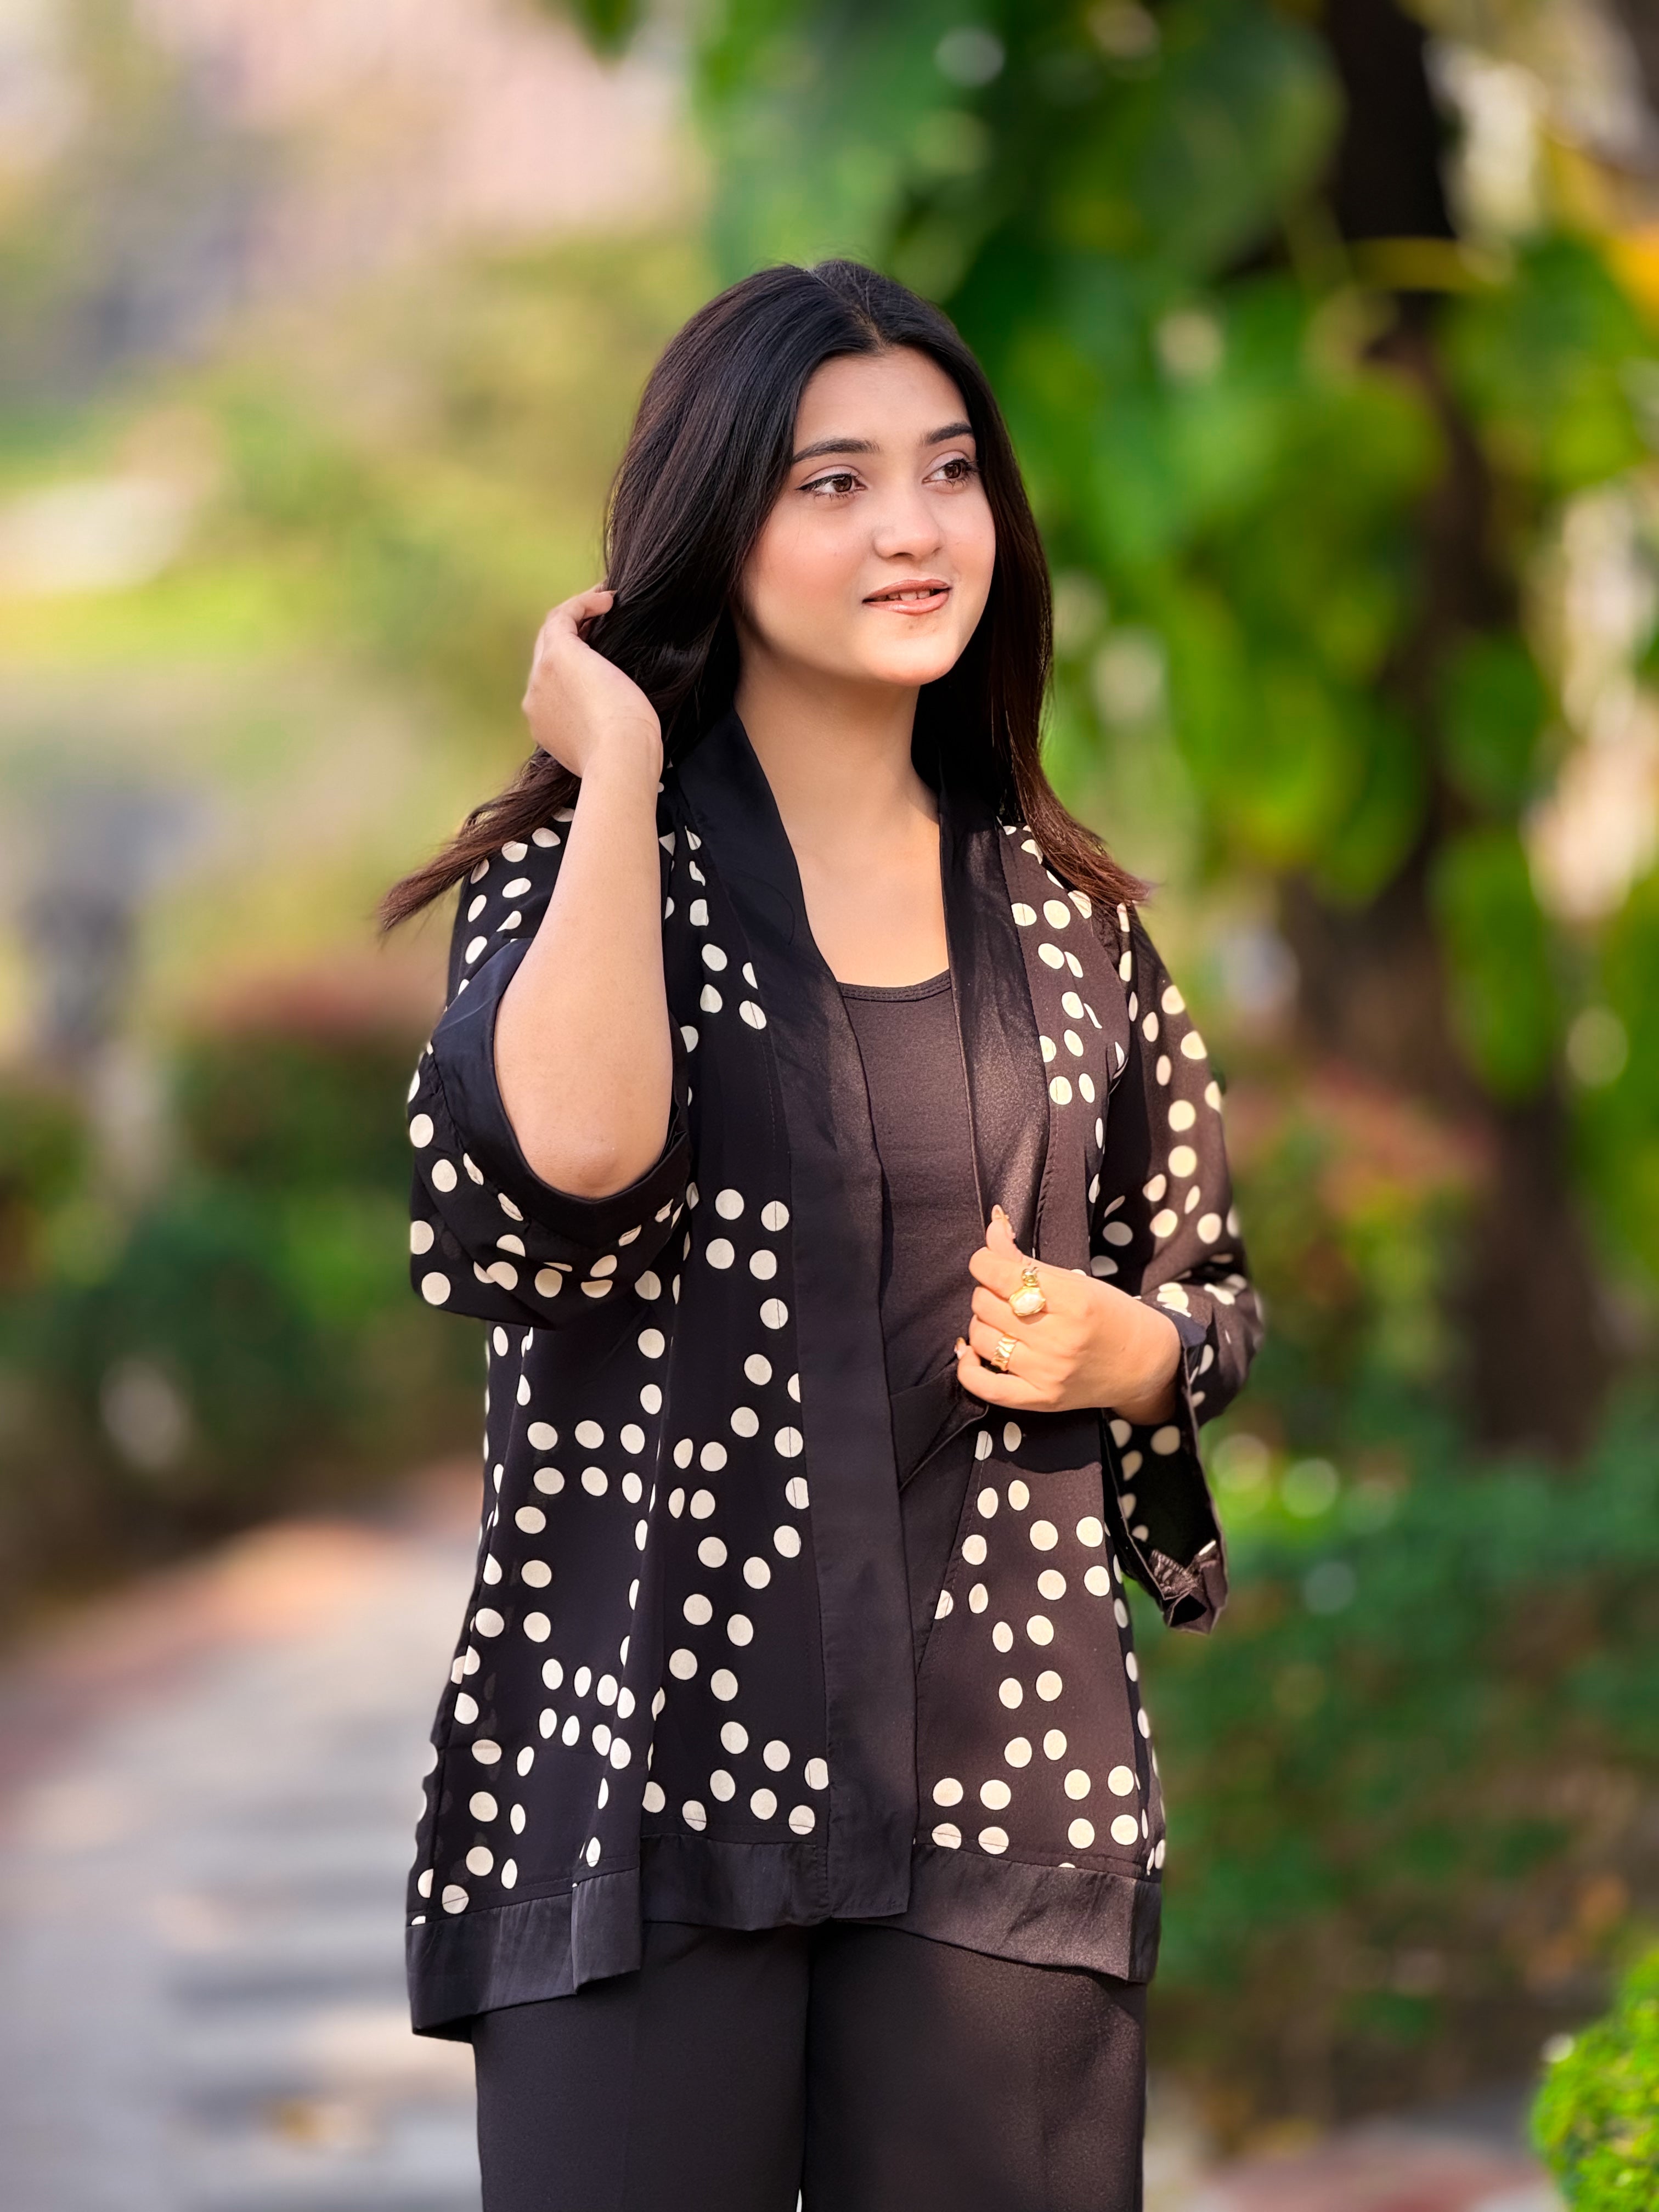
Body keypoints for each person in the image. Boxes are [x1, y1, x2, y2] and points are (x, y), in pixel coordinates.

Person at [382, 258, 1261, 2212]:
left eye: (948, 473)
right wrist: (617, 768)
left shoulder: (1069, 919)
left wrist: (1145, 1353)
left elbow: (1203, 1280)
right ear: (719, 524)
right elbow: (577, 1161)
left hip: (1003, 1787)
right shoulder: (571, 873)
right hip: (637, 1770)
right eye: (835, 482)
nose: (915, 527)